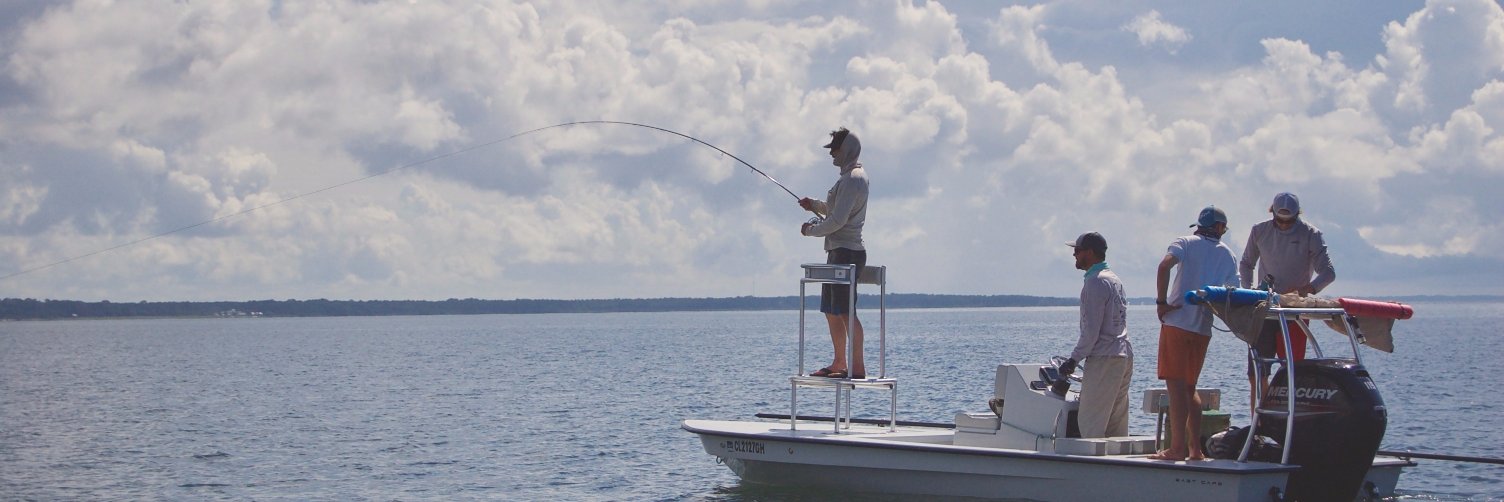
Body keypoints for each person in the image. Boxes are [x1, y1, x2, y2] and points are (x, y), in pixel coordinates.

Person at [1151, 206, 1240, 461]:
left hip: (1178, 321)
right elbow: (1233, 291)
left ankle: (1176, 448)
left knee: (1176, 387)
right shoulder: (1227, 254)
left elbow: (1164, 266)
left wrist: (1161, 302)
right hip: (1203, 327)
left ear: (1199, 225)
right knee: (1190, 387)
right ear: (1221, 228)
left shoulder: (1185, 242)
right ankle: (1195, 450)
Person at [1239, 192, 1336, 408]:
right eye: (1279, 220)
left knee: (1292, 370)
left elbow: (1328, 272)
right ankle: (1259, 423)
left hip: (1294, 312)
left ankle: (1288, 417)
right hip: (1264, 308)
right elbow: (1246, 264)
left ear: (1297, 216)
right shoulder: (1259, 231)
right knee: (1257, 370)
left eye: (1289, 221)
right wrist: (1249, 291)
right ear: (1271, 213)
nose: (1283, 225)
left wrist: (1307, 289)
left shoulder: (1311, 234)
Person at [799, 127, 870, 379]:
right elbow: (834, 208)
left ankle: (857, 367)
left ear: (847, 149)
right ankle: (839, 362)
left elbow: (838, 220)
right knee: (831, 309)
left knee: (846, 311)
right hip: (837, 251)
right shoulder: (847, 178)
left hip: (847, 252)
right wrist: (814, 205)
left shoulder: (854, 179)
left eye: (835, 150)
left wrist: (810, 230)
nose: (832, 156)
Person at [1061, 232, 1133, 438]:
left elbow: (1090, 332)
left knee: (1090, 422)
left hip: (1104, 357)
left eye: (1077, 251)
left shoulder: (1095, 282)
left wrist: (1073, 360)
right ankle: (1119, 465)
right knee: (1115, 423)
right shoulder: (1114, 280)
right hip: (1124, 355)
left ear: (1090, 253)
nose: (1074, 255)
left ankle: (1089, 466)